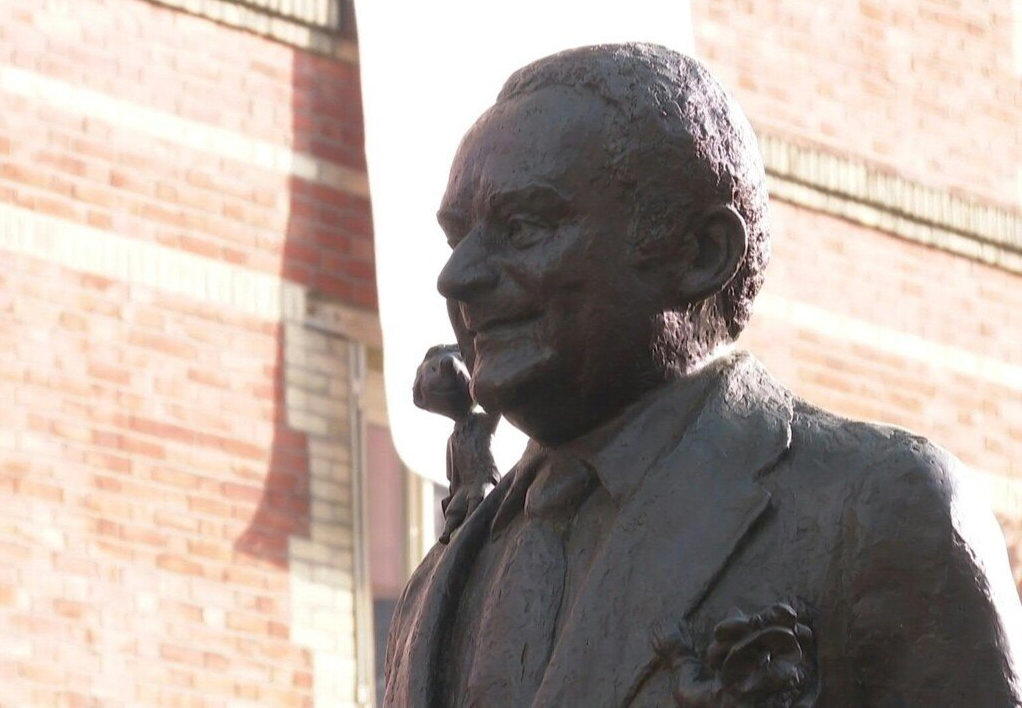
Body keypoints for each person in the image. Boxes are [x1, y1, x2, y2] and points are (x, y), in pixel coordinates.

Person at [383, 42, 1022, 708]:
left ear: (700, 253)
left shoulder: (881, 506)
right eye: (460, 238)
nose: (456, 277)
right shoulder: (440, 585)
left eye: (523, 227)